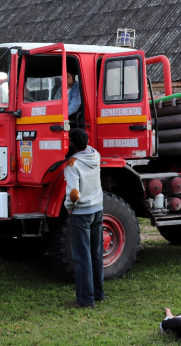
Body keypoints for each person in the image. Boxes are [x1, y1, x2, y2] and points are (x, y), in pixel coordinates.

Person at [64, 128, 104, 308]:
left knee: (82, 258)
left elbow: (74, 194)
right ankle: (98, 293)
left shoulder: (73, 164)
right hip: (98, 210)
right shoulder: (96, 155)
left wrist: (69, 207)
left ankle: (85, 299)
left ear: (71, 143)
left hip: (81, 213)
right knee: (96, 254)